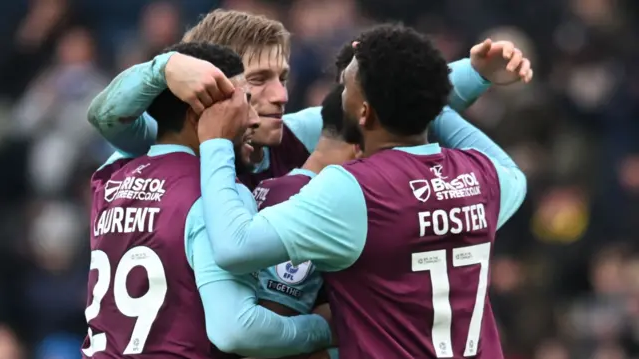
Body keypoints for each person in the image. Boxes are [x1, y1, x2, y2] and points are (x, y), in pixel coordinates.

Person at [197, 24, 529, 359]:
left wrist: (215, 142)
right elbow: (515, 175)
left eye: (345, 89)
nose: (337, 96)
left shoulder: (353, 190)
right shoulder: (483, 176)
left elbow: (235, 247)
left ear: (365, 112)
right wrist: (434, 97)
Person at [86, 9, 530, 190]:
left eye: (283, 77)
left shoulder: (296, 135)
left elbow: (384, 100)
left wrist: (476, 74)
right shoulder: (164, 146)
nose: (280, 96)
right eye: (259, 79)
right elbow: (107, 118)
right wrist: (163, 69)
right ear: (205, 82)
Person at [83, 42, 333, 359]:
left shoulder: (110, 177)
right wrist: (324, 329)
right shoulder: (216, 195)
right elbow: (236, 331)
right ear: (199, 114)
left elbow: (105, 115)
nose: (254, 120)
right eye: (242, 104)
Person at [255, 85, 356, 358]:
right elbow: (270, 331)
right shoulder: (309, 205)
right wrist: (346, 322)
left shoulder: (275, 186)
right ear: (361, 146)